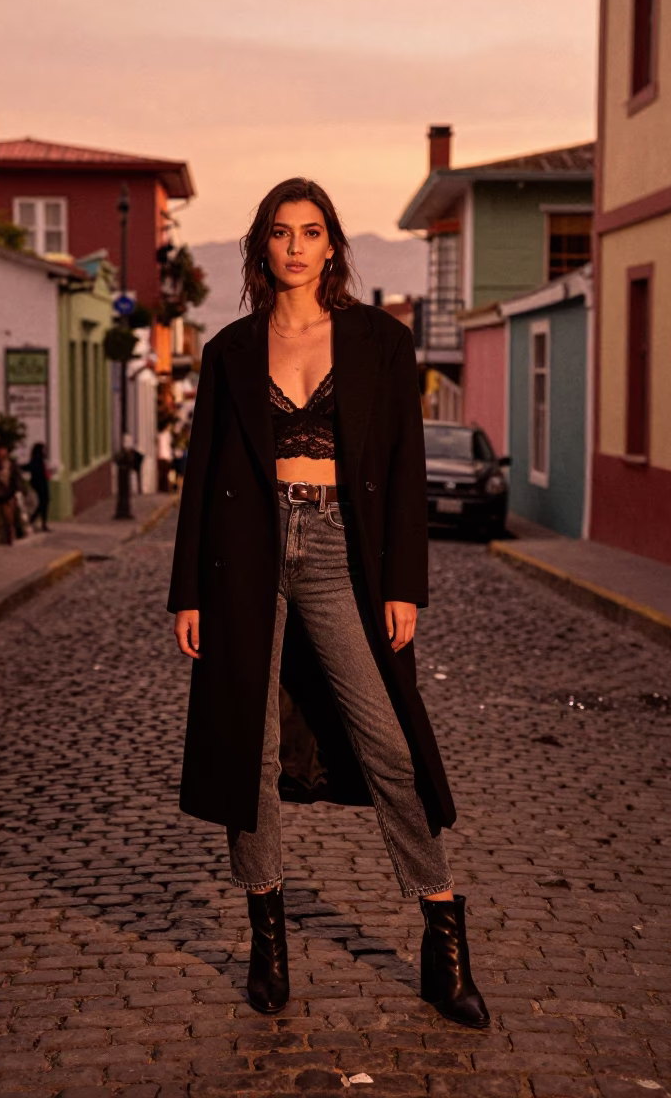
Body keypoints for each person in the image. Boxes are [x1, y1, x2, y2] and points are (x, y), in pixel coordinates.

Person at [168, 178, 489, 1028]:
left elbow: (407, 465)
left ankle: (441, 928)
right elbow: (201, 476)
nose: (297, 247)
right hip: (245, 554)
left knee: (388, 740)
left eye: (312, 232)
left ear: (334, 246)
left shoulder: (382, 343)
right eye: (281, 233)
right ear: (263, 248)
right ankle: (266, 936)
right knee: (253, 744)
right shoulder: (230, 350)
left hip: (341, 549)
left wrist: (403, 584)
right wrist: (188, 590)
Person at [23, 442, 51, 532]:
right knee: (42, 504)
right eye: (43, 449)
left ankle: (39, 522)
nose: (45, 451)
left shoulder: (42, 459)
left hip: (43, 483)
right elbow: (30, 468)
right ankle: (34, 520)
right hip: (39, 484)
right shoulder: (37, 460)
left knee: (44, 504)